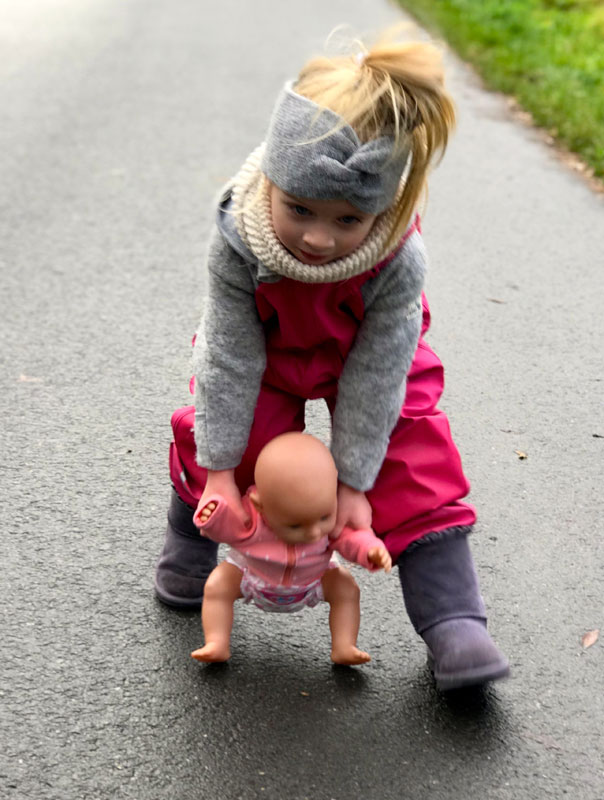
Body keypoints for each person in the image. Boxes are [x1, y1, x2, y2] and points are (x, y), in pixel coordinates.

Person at [155, 32, 510, 690]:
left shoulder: (396, 255)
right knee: (224, 427)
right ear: (274, 183)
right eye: (300, 209)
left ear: (385, 207)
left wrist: (354, 489)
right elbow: (229, 355)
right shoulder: (240, 232)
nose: (319, 237)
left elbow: (380, 376)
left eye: (348, 220)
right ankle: (190, 533)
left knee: (413, 455)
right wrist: (223, 473)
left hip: (370, 354)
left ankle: (456, 621)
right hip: (265, 349)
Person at [190, 432, 392, 664]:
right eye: (295, 525)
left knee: (347, 589)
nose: (314, 533)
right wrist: (213, 514)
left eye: (324, 518)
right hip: (253, 577)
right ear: (261, 507)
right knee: (217, 586)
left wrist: (370, 550)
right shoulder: (254, 520)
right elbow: (227, 528)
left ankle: (344, 646)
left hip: (314, 579)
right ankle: (216, 642)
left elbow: (349, 538)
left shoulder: (329, 520)